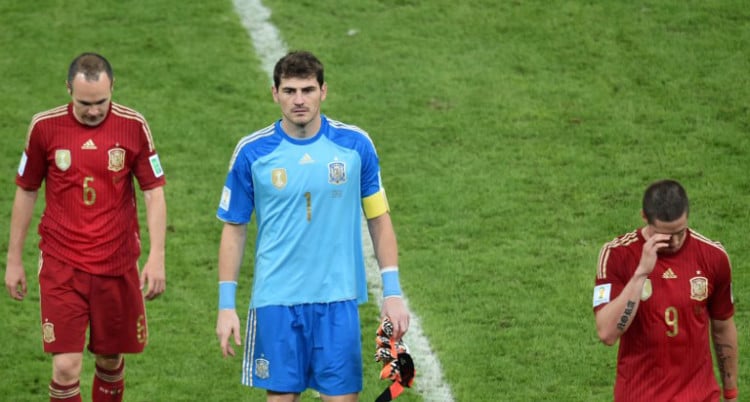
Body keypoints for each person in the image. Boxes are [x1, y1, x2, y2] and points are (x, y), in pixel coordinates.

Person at [215, 50, 410, 402]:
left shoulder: (355, 146)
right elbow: (234, 227)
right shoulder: (252, 152)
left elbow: (379, 219)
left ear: (324, 91)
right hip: (276, 301)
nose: (299, 100)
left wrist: (392, 293)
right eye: (289, 91)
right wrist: (226, 305)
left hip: (337, 299)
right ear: (274, 93)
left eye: (307, 89)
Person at [4, 52, 167, 402]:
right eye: (84, 103)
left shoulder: (133, 125)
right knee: (65, 367)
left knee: (110, 360)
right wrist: (13, 259)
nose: (93, 111)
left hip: (117, 263)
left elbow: (153, 191)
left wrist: (157, 256)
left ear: (112, 89)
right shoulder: (44, 128)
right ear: (68, 90)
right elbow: (27, 191)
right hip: (62, 263)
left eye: (101, 102)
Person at [593, 179, 738, 402]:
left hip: (699, 396)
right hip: (640, 396)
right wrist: (641, 273)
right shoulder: (617, 255)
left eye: (680, 231)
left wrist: (731, 393)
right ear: (644, 217)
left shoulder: (713, 256)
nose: (675, 241)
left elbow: (722, 328)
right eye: (665, 234)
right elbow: (608, 333)